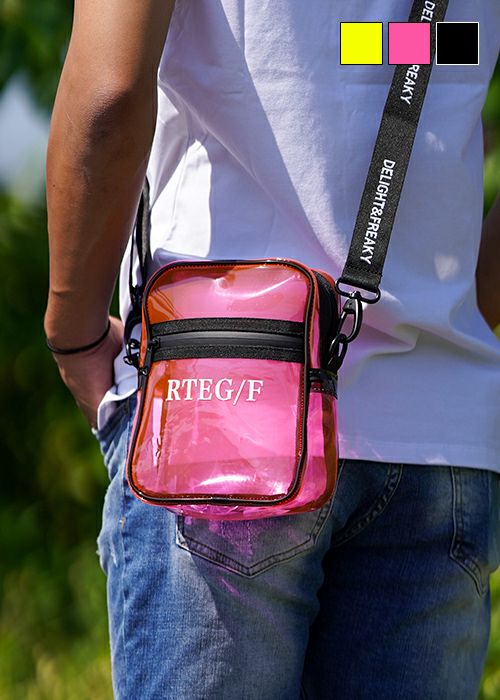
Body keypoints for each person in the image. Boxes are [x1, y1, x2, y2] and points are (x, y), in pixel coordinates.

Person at [44, 1, 500, 698]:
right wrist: (461, 324)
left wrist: (73, 334)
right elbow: (377, 47)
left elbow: (110, 93)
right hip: (441, 440)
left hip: (218, 413)